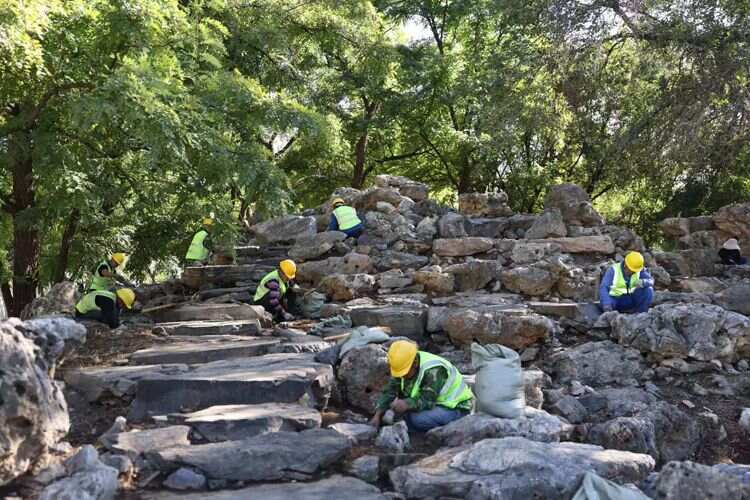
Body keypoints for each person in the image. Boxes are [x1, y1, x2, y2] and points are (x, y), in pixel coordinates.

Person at [370, 340, 473, 432]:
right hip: (437, 404)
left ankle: (441, 430)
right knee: (399, 414)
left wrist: (406, 404)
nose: (403, 376)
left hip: (456, 408)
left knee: (417, 419)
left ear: (414, 363)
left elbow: (427, 400)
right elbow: (390, 390)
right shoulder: (404, 363)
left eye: (405, 373)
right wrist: (378, 414)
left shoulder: (433, 370)